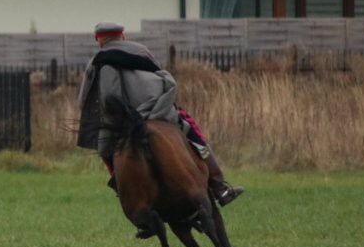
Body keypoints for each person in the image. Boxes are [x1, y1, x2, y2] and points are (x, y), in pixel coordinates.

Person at [77, 22, 243, 207]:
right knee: (192, 131)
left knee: (105, 149)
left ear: (99, 39)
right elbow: (159, 77)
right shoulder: (142, 50)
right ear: (122, 36)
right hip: (158, 110)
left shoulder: (96, 61)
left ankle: (122, 187)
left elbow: (85, 100)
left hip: (126, 121)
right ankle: (220, 186)